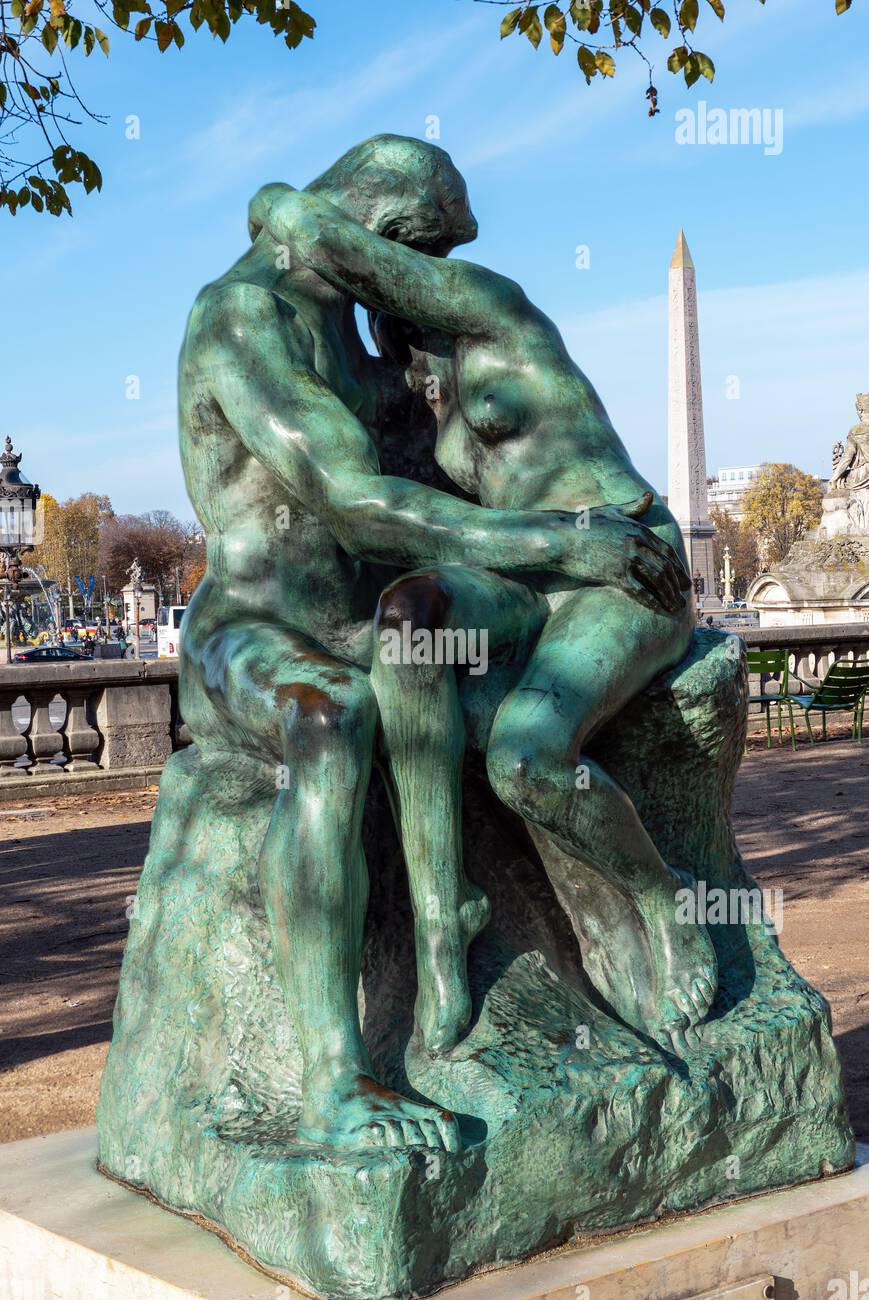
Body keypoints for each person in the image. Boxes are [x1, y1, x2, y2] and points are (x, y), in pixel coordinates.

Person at [176, 136, 688, 1153]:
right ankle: (335, 1083)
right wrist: (560, 541)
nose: (424, 286)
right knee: (335, 717)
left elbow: (444, 486)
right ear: (378, 232)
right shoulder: (238, 320)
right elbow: (355, 500)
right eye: (420, 253)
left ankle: (461, 930)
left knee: (424, 663)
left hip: (372, 615)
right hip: (253, 628)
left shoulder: (359, 330)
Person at [256, 180, 717, 1059]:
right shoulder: (416, 395)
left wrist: (277, 202)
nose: (413, 371)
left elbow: (335, 243)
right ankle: (443, 920)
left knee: (524, 756)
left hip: (618, 561)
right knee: (411, 616)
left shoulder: (492, 309)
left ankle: (663, 898)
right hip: (527, 575)